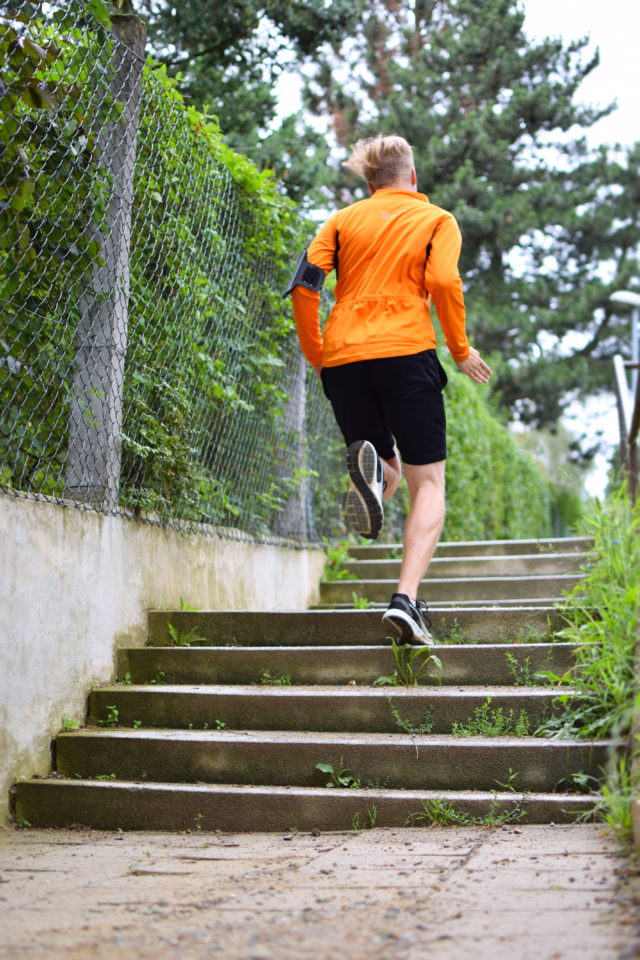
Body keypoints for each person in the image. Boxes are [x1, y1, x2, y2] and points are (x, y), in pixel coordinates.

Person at [286, 135, 492, 644]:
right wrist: (460, 348)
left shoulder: (340, 221)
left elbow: (305, 285)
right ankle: (405, 601)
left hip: (344, 359)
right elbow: (443, 282)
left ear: (370, 181)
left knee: (388, 469)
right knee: (429, 485)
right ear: (413, 177)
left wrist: (318, 356)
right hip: (405, 354)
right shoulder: (437, 220)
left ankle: (378, 476)